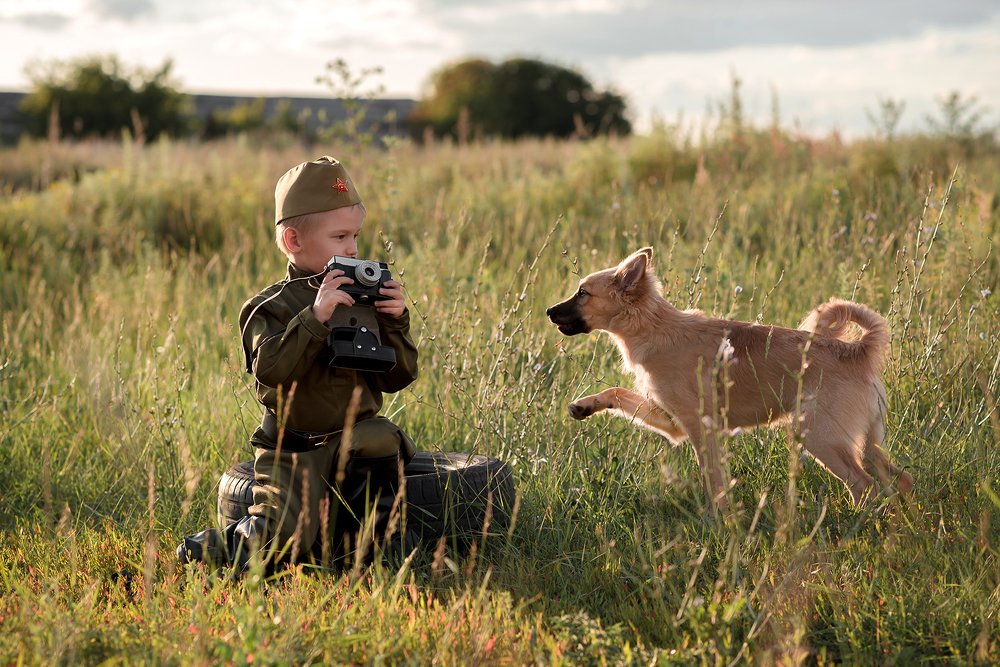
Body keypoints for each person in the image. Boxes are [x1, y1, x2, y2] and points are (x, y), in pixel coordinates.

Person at [177, 156, 419, 571]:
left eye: (355, 235)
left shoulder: (363, 298)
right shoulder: (269, 307)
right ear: (294, 240)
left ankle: (375, 547)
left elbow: (399, 376)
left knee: (382, 436)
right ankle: (212, 547)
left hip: (353, 441)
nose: (353, 249)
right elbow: (270, 371)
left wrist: (396, 321)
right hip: (292, 451)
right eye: (339, 236)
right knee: (284, 540)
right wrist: (315, 318)